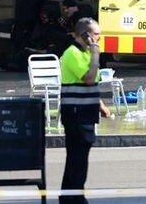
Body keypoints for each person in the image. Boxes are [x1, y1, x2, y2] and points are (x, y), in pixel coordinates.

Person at [60, 17, 112, 204]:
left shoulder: (85, 54)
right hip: (76, 113)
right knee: (77, 157)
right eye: (96, 35)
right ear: (85, 35)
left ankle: (72, 196)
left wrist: (101, 105)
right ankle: (73, 197)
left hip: (86, 112)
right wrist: (96, 52)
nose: (99, 38)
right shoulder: (73, 53)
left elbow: (91, 85)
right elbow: (89, 78)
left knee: (79, 157)